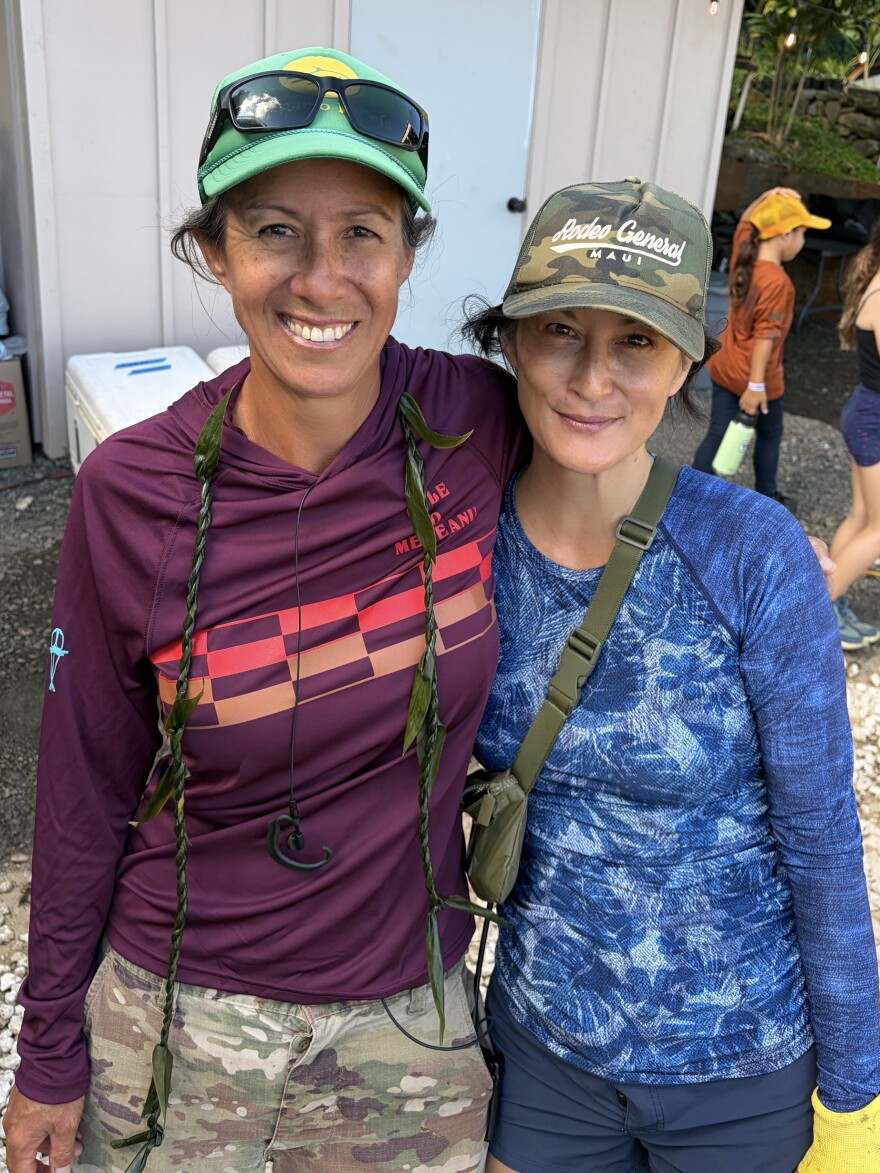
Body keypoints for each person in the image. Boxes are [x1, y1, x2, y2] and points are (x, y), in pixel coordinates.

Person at [4, 46, 524, 1173]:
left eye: (362, 234)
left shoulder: (476, 422)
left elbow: (616, 432)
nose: (321, 279)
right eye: (276, 229)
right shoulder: (132, 489)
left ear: (408, 255)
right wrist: (49, 1052)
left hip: (410, 1023)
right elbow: (83, 785)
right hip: (183, 1021)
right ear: (215, 252)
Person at [463, 179, 880, 1172]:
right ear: (511, 341)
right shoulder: (460, 540)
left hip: (741, 1071)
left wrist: (855, 1099)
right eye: (560, 330)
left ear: (686, 357)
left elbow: (821, 841)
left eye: (635, 342)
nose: (592, 379)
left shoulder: (752, 551)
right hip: (542, 1061)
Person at [693, 190, 830, 507]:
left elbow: (746, 221)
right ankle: (767, 496)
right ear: (784, 235)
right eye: (802, 232)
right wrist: (756, 386)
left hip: (725, 365)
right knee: (769, 435)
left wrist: (768, 196)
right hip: (757, 377)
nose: (803, 241)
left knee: (717, 431)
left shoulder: (745, 254)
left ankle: (694, 496)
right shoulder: (778, 282)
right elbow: (765, 337)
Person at [826, 217, 880, 650]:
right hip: (873, 419)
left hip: (866, 414)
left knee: (863, 517)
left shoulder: (875, 282)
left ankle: (832, 596)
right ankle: (815, 618)